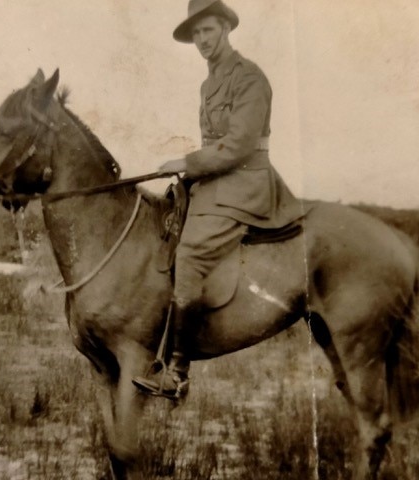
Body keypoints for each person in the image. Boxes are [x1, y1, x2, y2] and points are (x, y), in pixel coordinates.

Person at [133, 0, 303, 399]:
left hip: (246, 181)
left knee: (190, 253)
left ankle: (177, 371)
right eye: (195, 35)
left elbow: (239, 146)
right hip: (217, 180)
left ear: (226, 27)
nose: (202, 41)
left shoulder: (249, 78)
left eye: (208, 30)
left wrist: (186, 162)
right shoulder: (209, 83)